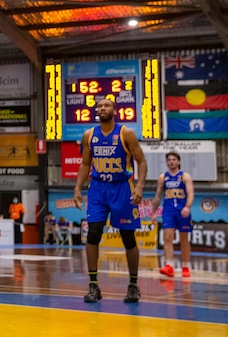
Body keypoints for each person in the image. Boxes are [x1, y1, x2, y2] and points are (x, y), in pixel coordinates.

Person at [73, 97, 147, 304]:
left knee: (128, 238)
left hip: (122, 188)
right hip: (97, 189)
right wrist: (77, 187)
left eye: (106, 105)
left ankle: (133, 285)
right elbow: (85, 164)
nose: (102, 108)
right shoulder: (89, 135)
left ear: (115, 109)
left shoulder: (126, 133)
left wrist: (139, 186)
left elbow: (141, 162)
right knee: (93, 234)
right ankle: (93, 285)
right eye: (99, 106)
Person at [150, 151, 193, 277]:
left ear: (178, 162)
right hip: (168, 211)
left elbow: (190, 193)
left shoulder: (185, 176)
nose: (171, 162)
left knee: (184, 240)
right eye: (169, 160)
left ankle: (186, 266)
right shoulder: (163, 177)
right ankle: (169, 266)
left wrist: (187, 207)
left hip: (182, 210)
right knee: (167, 238)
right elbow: (158, 196)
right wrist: (153, 213)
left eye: (174, 159)